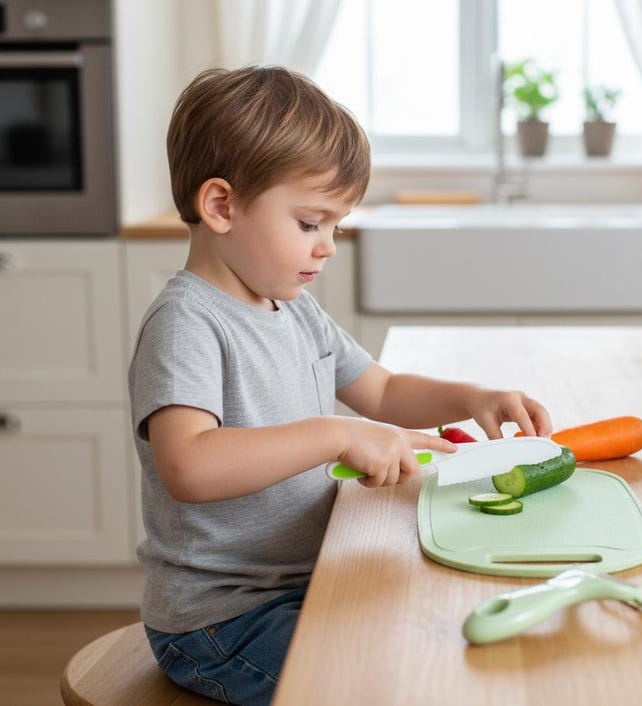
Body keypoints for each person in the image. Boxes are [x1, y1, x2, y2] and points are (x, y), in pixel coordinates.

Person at [128, 65, 552, 706]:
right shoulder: (186, 322)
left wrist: (470, 397)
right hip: (224, 620)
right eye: (309, 223)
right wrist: (334, 434)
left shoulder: (289, 306)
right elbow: (189, 465)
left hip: (309, 579)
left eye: (336, 226)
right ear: (221, 206)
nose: (326, 247)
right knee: (380, 688)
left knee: (431, 651)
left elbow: (380, 391)